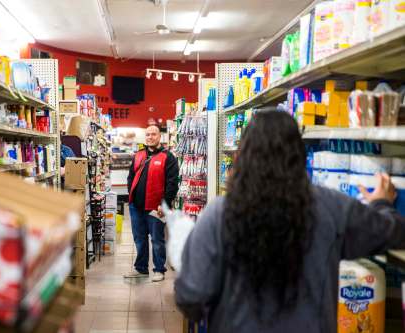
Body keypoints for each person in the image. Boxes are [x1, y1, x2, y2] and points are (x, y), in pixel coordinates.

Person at [174, 110, 405, 332]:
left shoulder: (219, 214)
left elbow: (190, 296)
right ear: (300, 156)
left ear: (242, 157)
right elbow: (393, 233)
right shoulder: (333, 208)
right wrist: (382, 203)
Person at [125, 125, 179, 282]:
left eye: (153, 134)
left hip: (156, 207)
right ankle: (141, 269)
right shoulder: (138, 155)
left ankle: (159, 269)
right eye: (147, 134)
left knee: (157, 239)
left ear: (159, 137)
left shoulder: (168, 157)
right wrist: (131, 195)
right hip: (136, 206)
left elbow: (172, 184)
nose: (150, 137)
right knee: (139, 239)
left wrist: (165, 204)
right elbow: (131, 177)